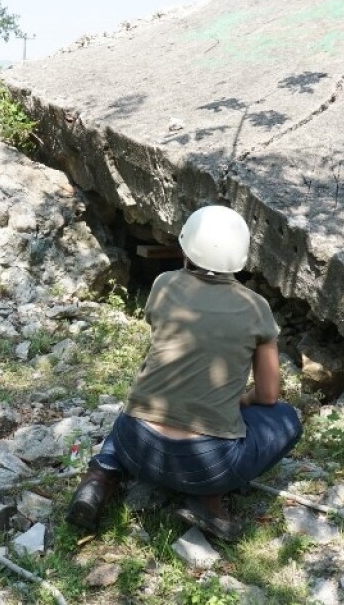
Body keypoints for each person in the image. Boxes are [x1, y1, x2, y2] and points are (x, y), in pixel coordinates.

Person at [66, 205, 303, 541]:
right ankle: (209, 499)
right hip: (208, 464)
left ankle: (98, 479)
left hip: (137, 446)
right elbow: (268, 395)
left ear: (187, 246)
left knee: (132, 410)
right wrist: (240, 401)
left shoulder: (164, 285)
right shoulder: (256, 308)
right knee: (286, 418)